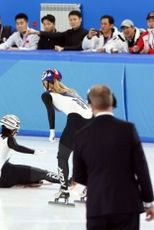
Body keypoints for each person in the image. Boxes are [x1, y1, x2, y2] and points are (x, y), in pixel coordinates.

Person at [73, 85, 154, 229]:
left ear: (90, 105)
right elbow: (141, 169)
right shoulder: (128, 129)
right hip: (127, 205)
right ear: (113, 103)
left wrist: (97, 181)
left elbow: (79, 176)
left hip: (97, 206)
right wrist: (148, 201)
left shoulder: (81, 135)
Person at [40, 68, 92, 202]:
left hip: (76, 122)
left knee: (62, 157)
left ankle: (64, 191)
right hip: (92, 121)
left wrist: (52, 131)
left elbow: (50, 111)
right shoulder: (72, 93)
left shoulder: (47, 95)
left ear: (46, 82)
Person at [0, 114, 61, 187]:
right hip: (7, 176)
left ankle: (31, 180)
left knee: (23, 172)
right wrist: (35, 152)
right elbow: (17, 147)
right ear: (13, 128)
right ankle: (66, 181)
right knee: (43, 173)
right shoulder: (9, 139)